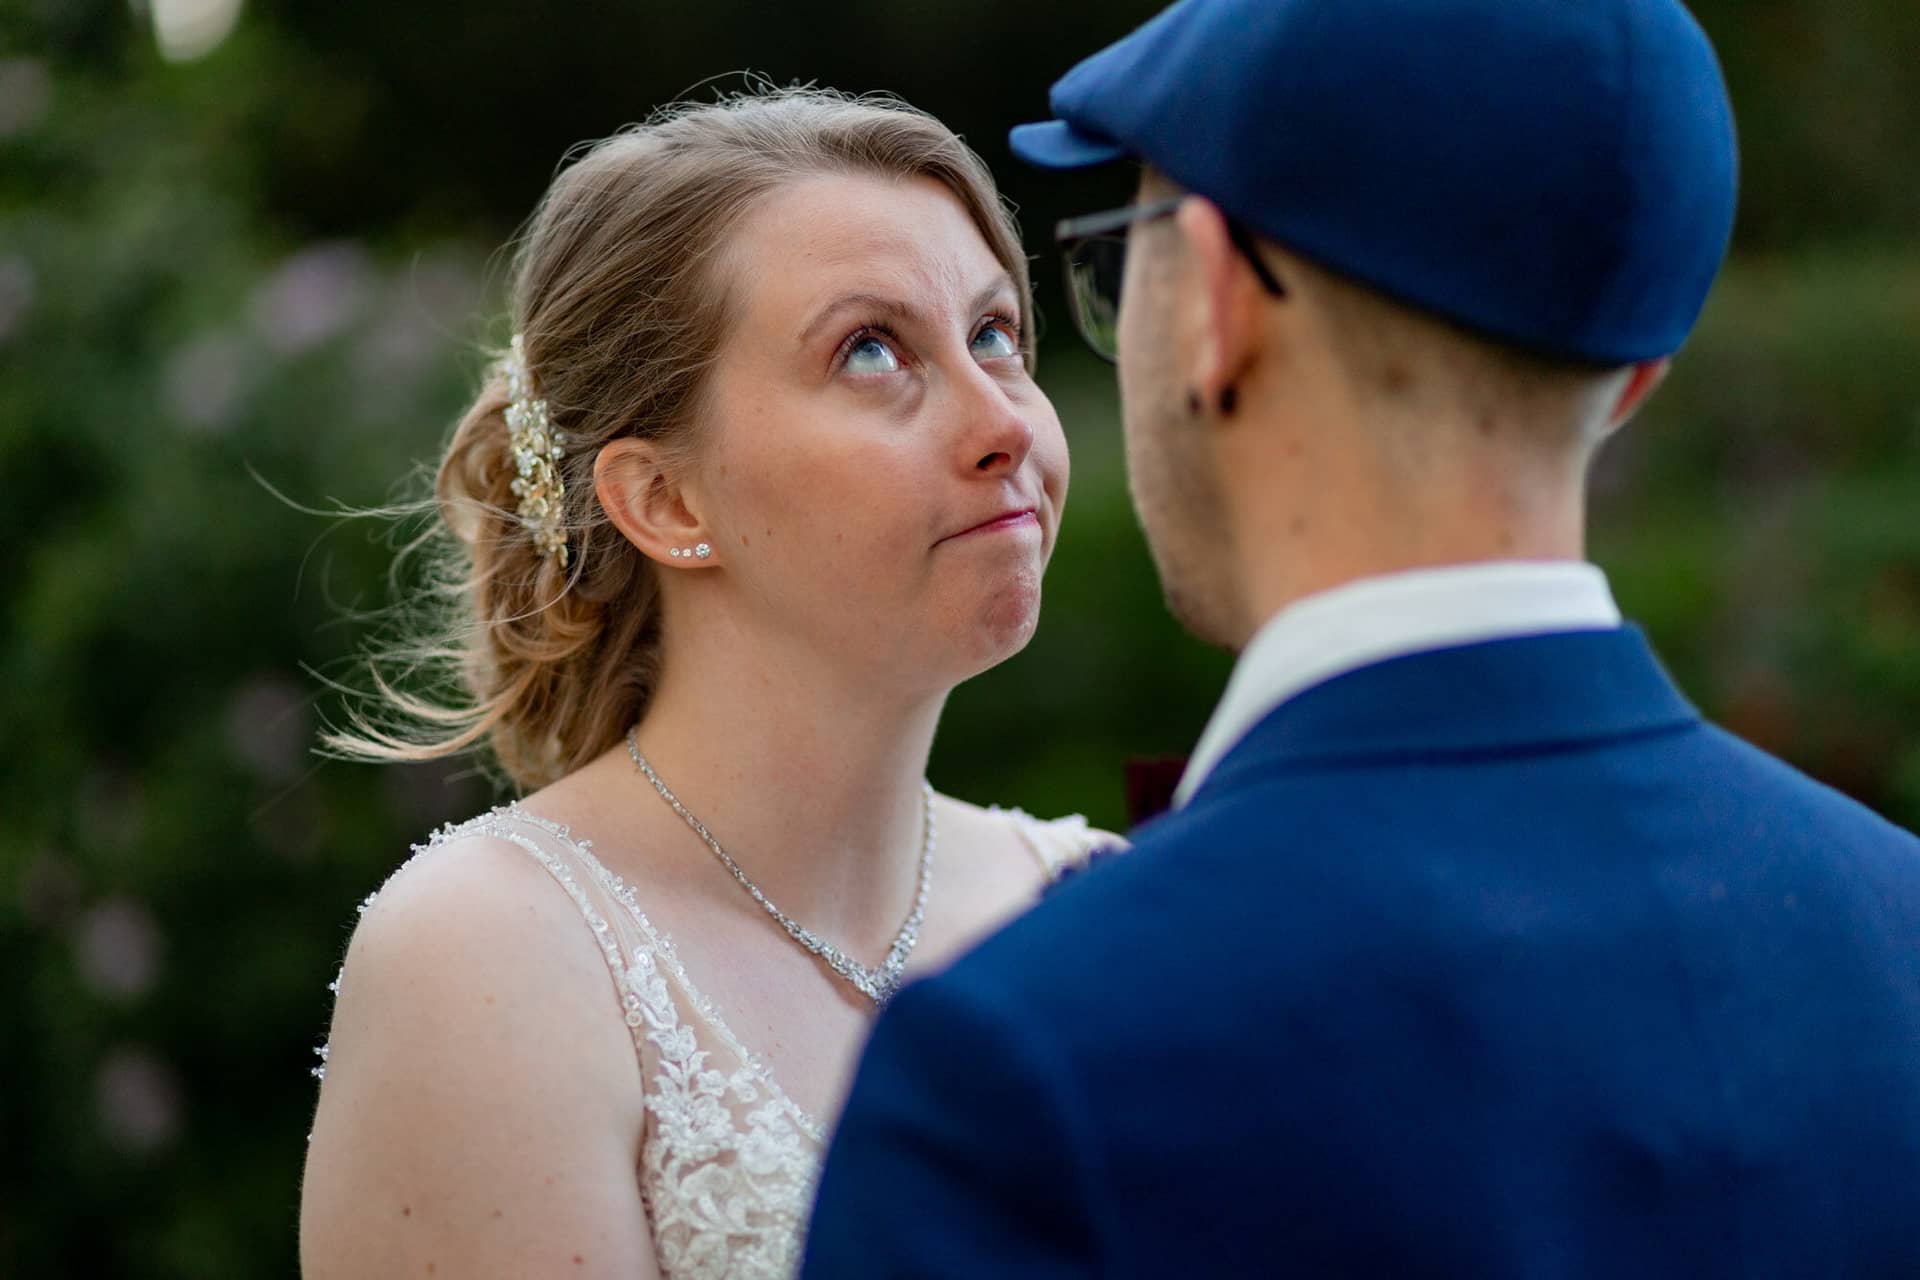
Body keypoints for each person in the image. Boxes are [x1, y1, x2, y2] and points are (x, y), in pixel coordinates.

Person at [804, 0, 1920, 1274]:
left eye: (1125, 260)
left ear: (1217, 301)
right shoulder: (1897, 929)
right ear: (1633, 379)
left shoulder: (1023, 1069)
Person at [298, 87, 1115, 1279]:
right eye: (872, 350)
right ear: (666, 499)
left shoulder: (1102, 901)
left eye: (995, 334)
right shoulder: (491, 957)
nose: (1006, 422)